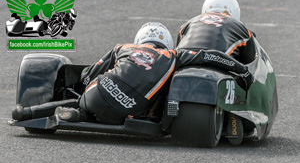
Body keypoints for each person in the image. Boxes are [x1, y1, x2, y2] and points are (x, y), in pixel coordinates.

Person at [12, 22, 254, 125]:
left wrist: (85, 84)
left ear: (140, 39)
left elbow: (89, 74)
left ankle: (26, 112)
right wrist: (242, 70)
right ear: (168, 43)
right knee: (139, 100)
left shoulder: (124, 48)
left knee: (82, 101)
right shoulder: (174, 56)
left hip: (97, 93)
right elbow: (211, 55)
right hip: (130, 110)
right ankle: (78, 115)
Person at [176, 0, 256, 65]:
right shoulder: (241, 28)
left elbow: (178, 49)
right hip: (218, 68)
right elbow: (250, 61)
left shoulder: (188, 23)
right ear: (234, 11)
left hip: (185, 64)